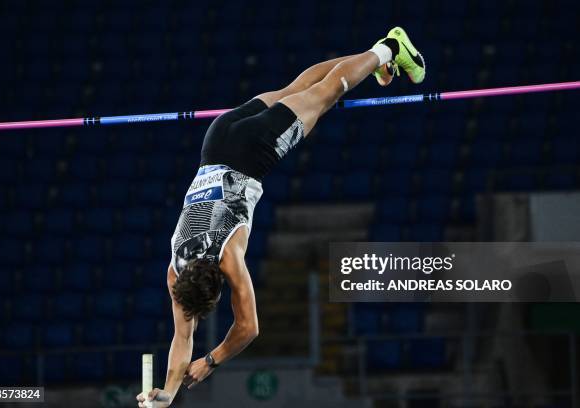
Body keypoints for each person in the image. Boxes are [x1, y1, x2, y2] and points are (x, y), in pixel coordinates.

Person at [137, 26, 425, 408]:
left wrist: (211, 361)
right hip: (217, 139)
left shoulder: (230, 259)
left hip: (254, 151)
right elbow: (181, 340)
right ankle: (374, 55)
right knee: (299, 87)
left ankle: (390, 49)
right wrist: (167, 394)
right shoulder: (176, 267)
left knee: (327, 94)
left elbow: (247, 329)